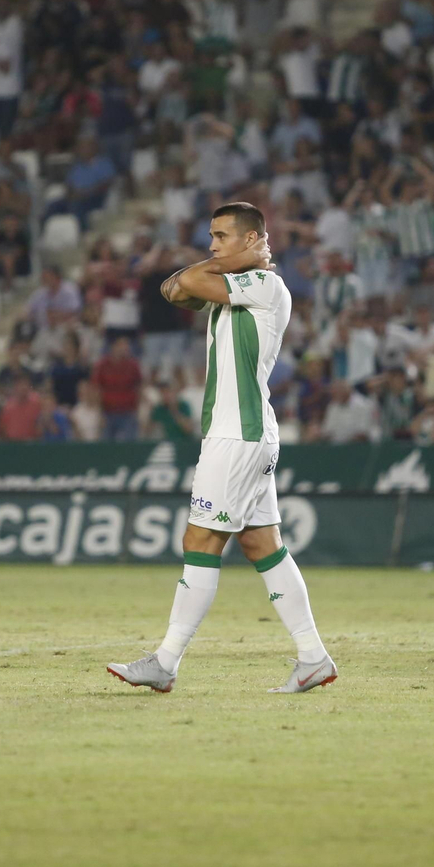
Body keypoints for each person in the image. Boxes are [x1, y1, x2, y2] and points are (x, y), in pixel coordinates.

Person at [106, 202, 336, 694]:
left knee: (201, 541)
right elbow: (171, 289)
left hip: (237, 434)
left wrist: (220, 269)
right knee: (262, 544)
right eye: (210, 236)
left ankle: (165, 662)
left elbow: (186, 281)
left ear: (252, 239)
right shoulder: (236, 283)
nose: (211, 245)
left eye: (221, 237)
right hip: (243, 433)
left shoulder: (265, 285)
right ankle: (313, 658)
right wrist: (224, 263)